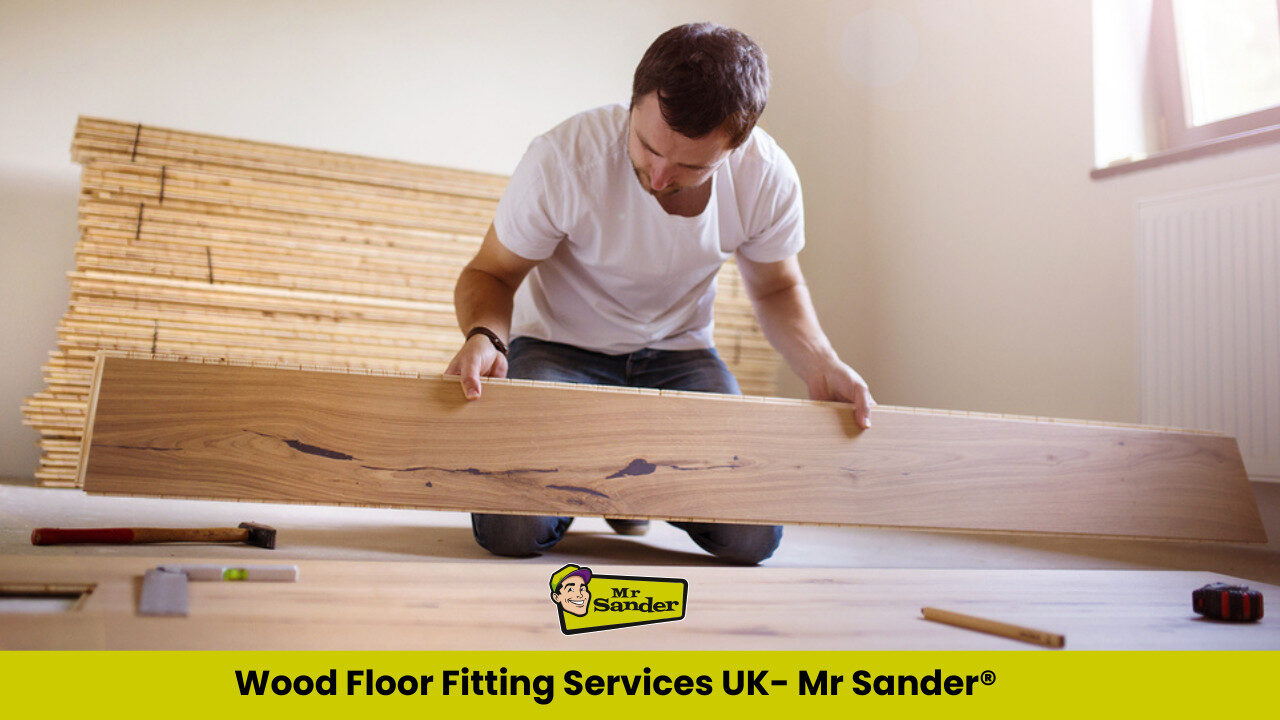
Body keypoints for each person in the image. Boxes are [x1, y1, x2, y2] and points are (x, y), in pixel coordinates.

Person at [446, 22, 874, 565]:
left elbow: (777, 289)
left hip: (680, 357)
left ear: (736, 147)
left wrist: (821, 362)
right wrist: (486, 337)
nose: (660, 176)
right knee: (511, 531)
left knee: (752, 539)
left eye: (691, 166)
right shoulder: (563, 159)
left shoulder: (767, 177)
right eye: (647, 147)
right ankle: (617, 478)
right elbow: (490, 274)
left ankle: (616, 478)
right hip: (559, 350)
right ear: (632, 103)